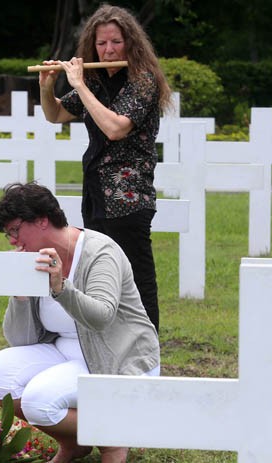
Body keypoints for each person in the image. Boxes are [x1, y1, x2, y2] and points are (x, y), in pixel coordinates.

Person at [0, 182, 161, 463]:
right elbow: (20, 341)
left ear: (42, 220)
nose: (13, 241)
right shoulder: (35, 259)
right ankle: (73, 443)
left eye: (15, 230)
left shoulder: (100, 252)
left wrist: (60, 288)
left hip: (118, 360)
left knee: (38, 401)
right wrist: (20, 297)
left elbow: (101, 317)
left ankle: (113, 441)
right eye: (9, 234)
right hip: (65, 353)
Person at [37, 3, 173, 334]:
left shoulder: (143, 81)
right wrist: (47, 86)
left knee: (137, 277)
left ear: (130, 43)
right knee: (102, 276)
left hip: (129, 198)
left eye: (116, 41)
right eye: (101, 43)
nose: (108, 49)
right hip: (96, 194)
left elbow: (115, 128)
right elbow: (55, 114)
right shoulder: (95, 81)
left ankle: (147, 347)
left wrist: (80, 85)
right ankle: (108, 345)